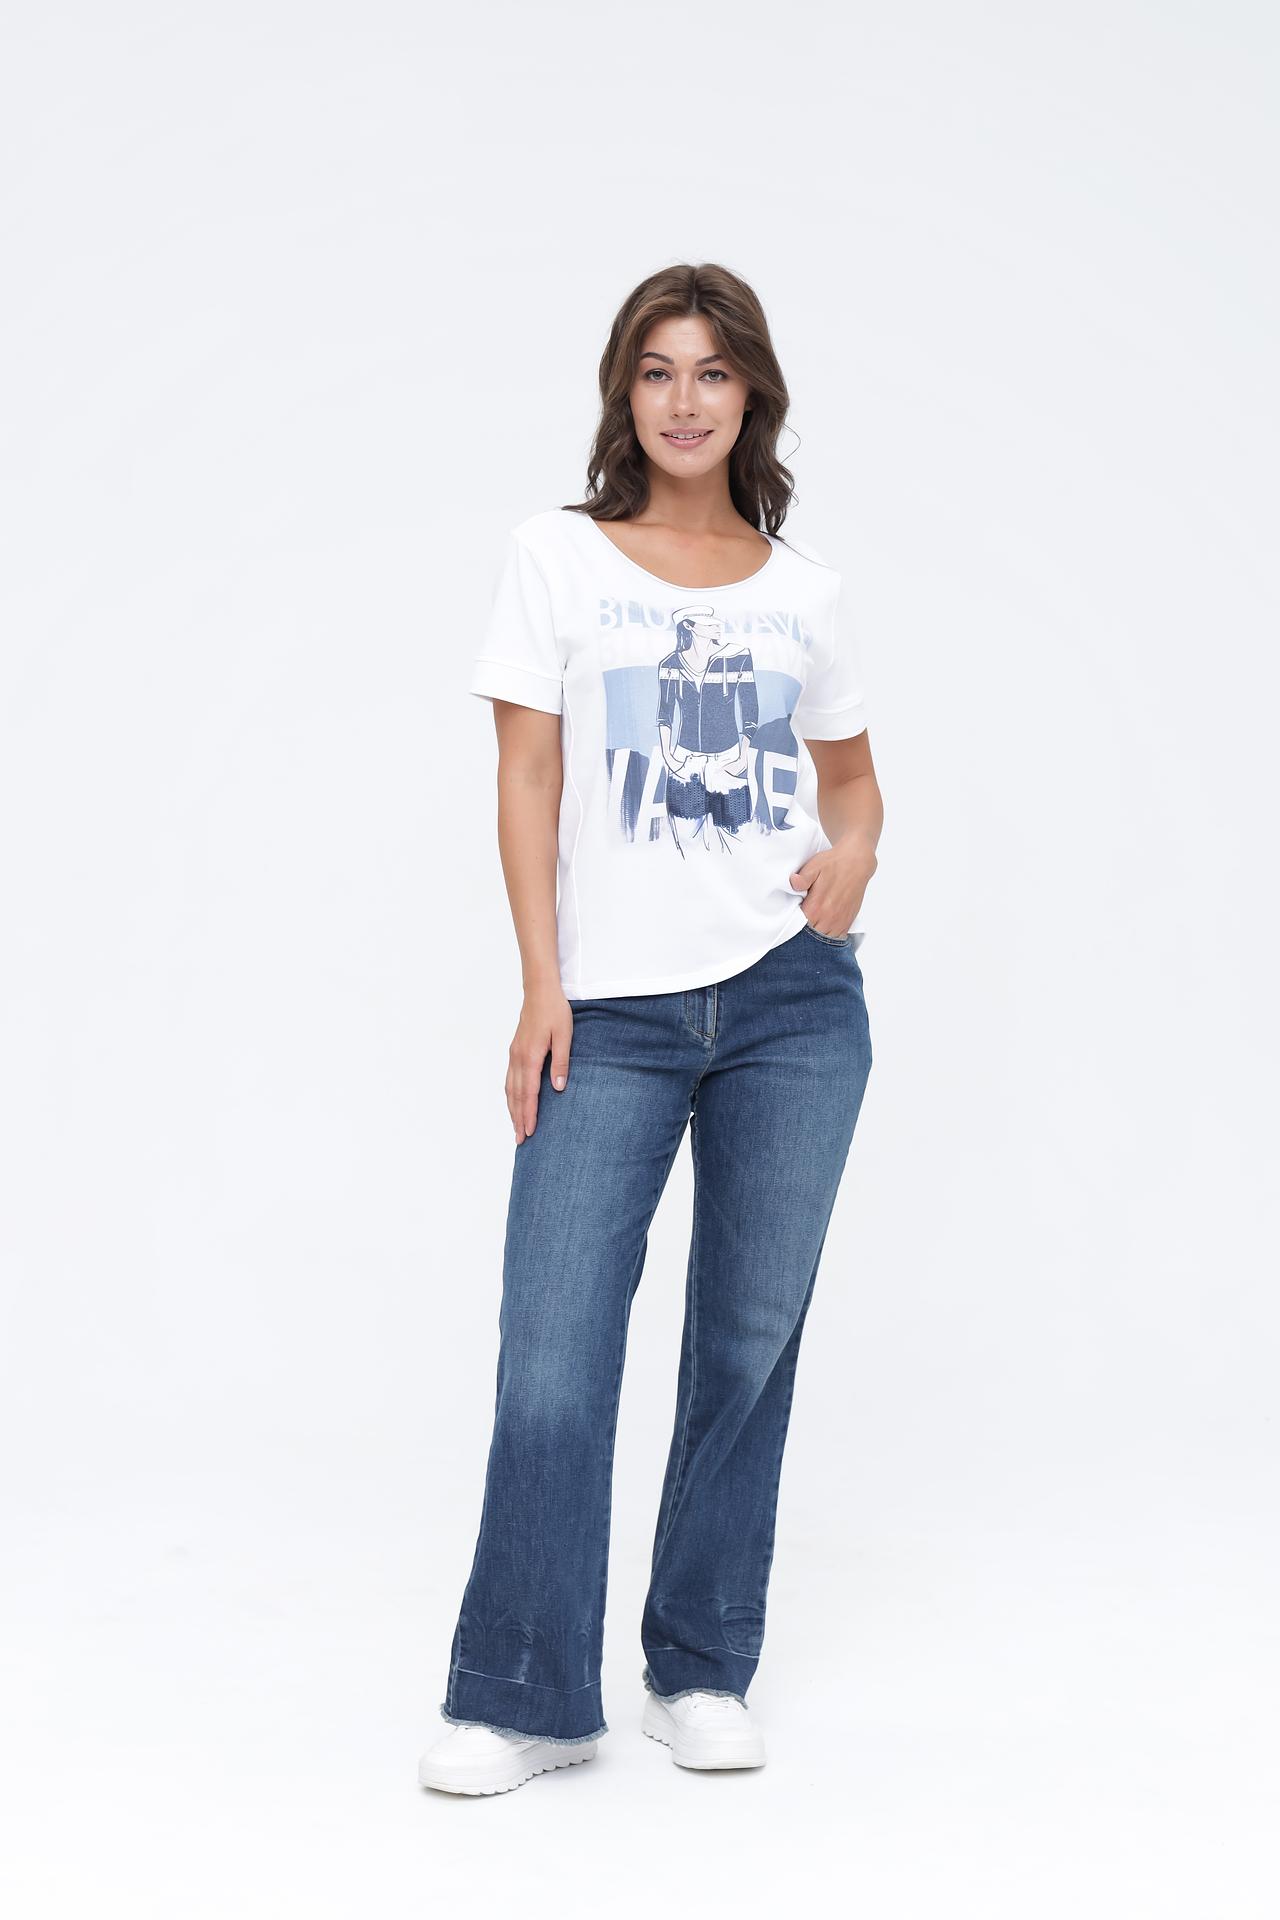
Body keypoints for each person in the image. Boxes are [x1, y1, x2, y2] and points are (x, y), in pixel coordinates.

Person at [419, 262, 883, 1797]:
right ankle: (524, 1694)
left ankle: (699, 1666)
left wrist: (854, 858)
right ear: (626, 392)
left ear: (753, 396)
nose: (686, 401)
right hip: (606, 1013)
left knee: (746, 1343)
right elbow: (528, 775)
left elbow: (853, 782)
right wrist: (540, 984)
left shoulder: (803, 590)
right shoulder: (557, 557)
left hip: (791, 1005)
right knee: (555, 1349)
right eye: (659, 371)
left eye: (714, 373)